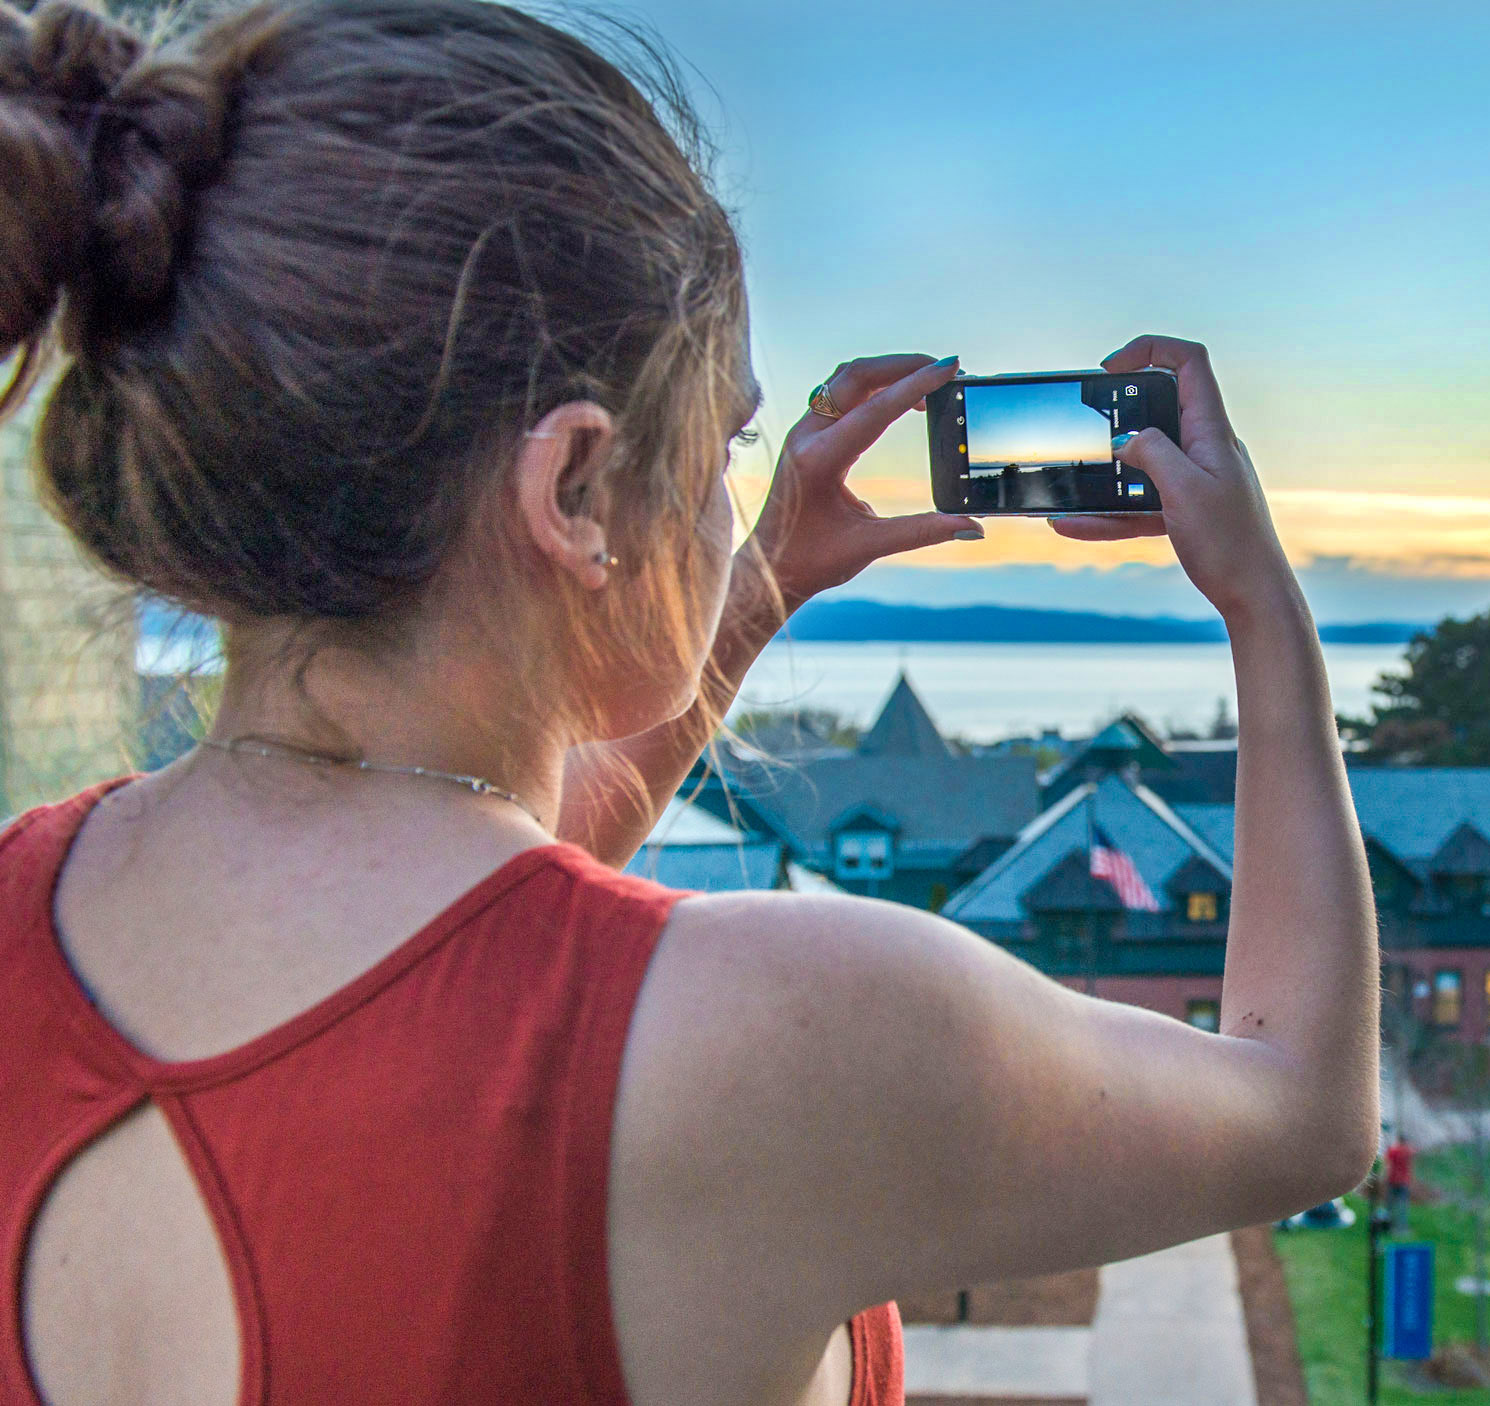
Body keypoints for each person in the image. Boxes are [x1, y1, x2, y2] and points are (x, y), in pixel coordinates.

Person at [0, 2, 1378, 1403]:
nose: (731, 500)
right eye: (725, 446)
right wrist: (1263, 604)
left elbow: (461, 960)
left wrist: (758, 581)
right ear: (573, 485)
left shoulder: (22, 908)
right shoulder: (782, 1030)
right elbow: (1304, 1114)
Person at [1384, 1134, 1416, 1232]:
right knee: (1402, 1206)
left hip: (1393, 1180)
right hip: (1404, 1182)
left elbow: (1387, 1161)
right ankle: (1401, 1228)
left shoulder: (1394, 1150)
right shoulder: (1409, 1151)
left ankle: (1388, 1226)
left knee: (1390, 1205)